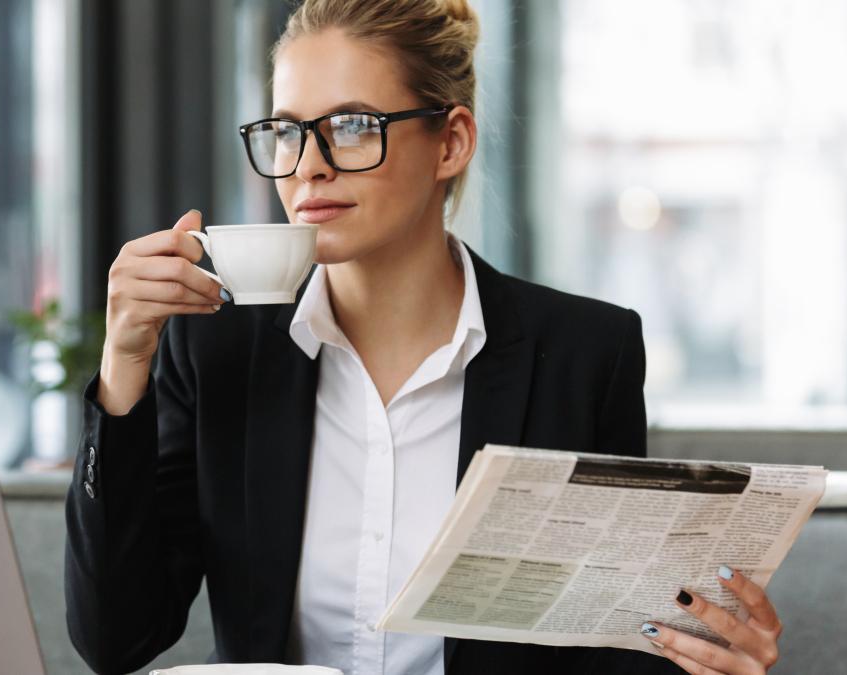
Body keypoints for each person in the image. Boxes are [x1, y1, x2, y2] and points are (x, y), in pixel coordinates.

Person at [64, 1, 784, 673]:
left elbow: (604, 641)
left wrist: (702, 654)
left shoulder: (583, 353)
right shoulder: (218, 350)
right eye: (286, 130)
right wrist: (125, 367)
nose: (307, 164)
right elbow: (115, 636)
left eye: (351, 125)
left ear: (452, 143)